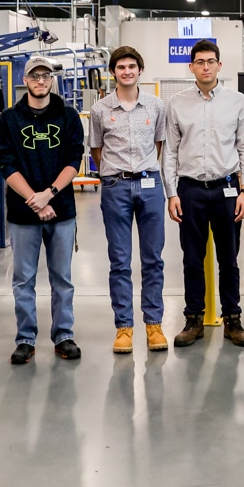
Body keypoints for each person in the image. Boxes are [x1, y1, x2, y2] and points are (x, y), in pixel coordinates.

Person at [0, 55, 85, 364]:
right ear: (25, 80)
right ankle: (25, 339)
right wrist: (35, 199)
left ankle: (64, 335)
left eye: (46, 75)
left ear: (52, 80)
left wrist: (49, 195)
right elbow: (6, 164)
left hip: (61, 211)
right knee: (23, 279)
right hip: (24, 214)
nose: (41, 81)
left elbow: (74, 159)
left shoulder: (68, 116)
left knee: (62, 279)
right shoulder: (10, 119)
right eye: (35, 76)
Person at [163, 40, 244, 347]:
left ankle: (233, 319)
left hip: (227, 189)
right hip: (189, 191)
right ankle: (194, 320)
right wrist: (172, 194)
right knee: (192, 259)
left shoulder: (237, 101)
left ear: (219, 65)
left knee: (229, 260)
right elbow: (170, 151)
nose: (205, 67)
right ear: (191, 67)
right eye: (200, 62)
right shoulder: (176, 103)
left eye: (210, 61)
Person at [89, 46, 168, 354]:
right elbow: (97, 150)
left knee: (153, 259)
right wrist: (117, 174)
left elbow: (159, 145)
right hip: (115, 187)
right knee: (120, 261)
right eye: (121, 67)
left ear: (140, 70)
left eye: (132, 66)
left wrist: (142, 170)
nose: (127, 71)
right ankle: (124, 327)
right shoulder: (100, 110)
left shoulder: (156, 106)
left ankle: (154, 325)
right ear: (113, 72)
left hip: (150, 185)